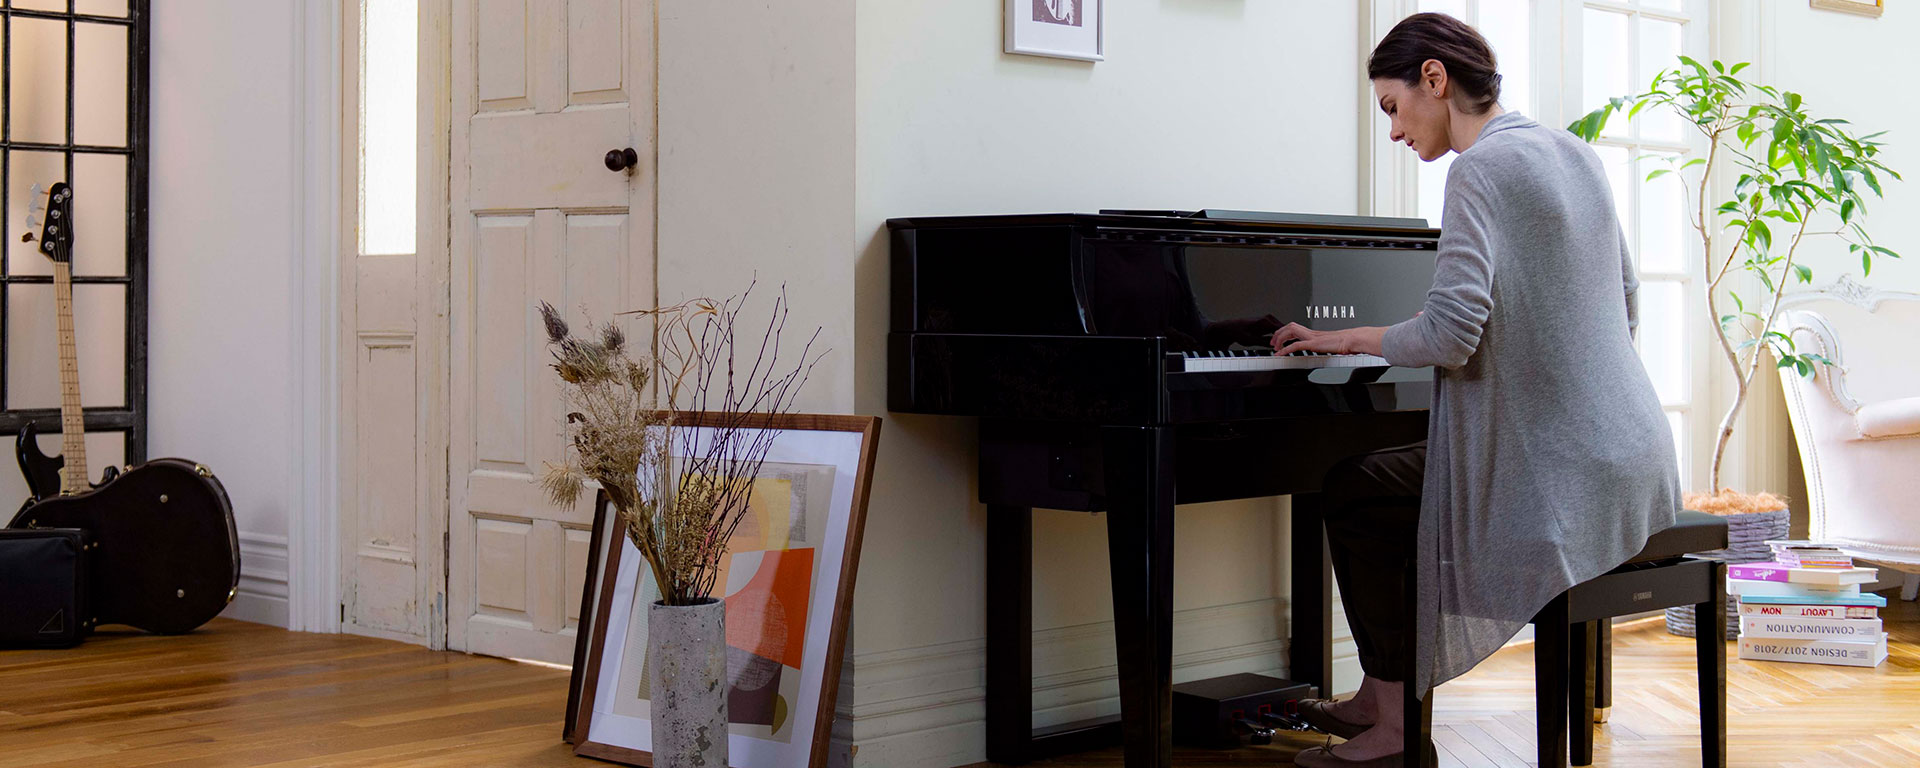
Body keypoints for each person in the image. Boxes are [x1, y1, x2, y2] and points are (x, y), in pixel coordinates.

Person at [1268, 12, 1681, 768]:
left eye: (1393, 108)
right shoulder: (1574, 152)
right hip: (1640, 454)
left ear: (1435, 79)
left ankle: (1391, 719)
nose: (1394, 131)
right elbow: (1624, 302)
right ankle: (1377, 694)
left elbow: (1451, 335)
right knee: (1388, 487)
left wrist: (1347, 337)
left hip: (1563, 469)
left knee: (1356, 488)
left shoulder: (1480, 168)